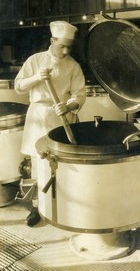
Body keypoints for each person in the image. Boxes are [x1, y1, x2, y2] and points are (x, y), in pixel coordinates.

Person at [15, 20, 86, 227]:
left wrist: (69, 105)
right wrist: (37, 77)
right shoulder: (35, 60)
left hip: (61, 117)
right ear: (51, 40)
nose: (65, 51)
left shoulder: (73, 66)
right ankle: (37, 207)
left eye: (69, 47)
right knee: (38, 165)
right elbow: (19, 86)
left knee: (64, 164)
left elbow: (80, 94)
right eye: (61, 46)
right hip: (38, 117)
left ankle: (66, 205)